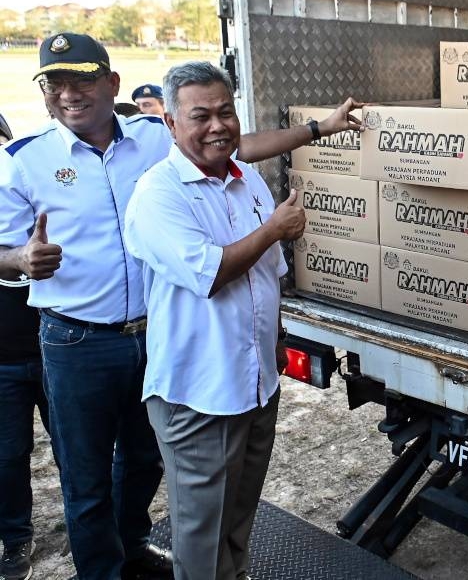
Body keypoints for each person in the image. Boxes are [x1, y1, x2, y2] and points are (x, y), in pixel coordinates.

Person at [0, 32, 363, 580]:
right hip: (81, 338)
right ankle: (103, 572)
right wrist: (21, 259)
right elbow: (2, 252)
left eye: (83, 79)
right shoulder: (27, 159)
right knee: (86, 474)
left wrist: (317, 129)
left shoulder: (152, 136)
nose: (70, 94)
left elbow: (237, 143)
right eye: (56, 83)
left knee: (145, 463)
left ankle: (136, 548)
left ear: (111, 83)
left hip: (153, 331)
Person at [123, 61, 303, 580]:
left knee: (239, 517)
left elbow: (268, 277)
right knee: (201, 535)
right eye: (200, 116)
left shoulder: (246, 181)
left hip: (255, 385)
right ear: (171, 126)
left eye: (226, 112)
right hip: (199, 395)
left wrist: (277, 341)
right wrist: (273, 230)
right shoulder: (159, 193)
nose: (217, 125)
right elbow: (212, 274)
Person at [0, 116, 49, 580]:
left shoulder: (41, 204)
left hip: (58, 349)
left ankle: (101, 529)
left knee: (80, 450)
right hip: (3, 361)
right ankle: (15, 539)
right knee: (8, 455)